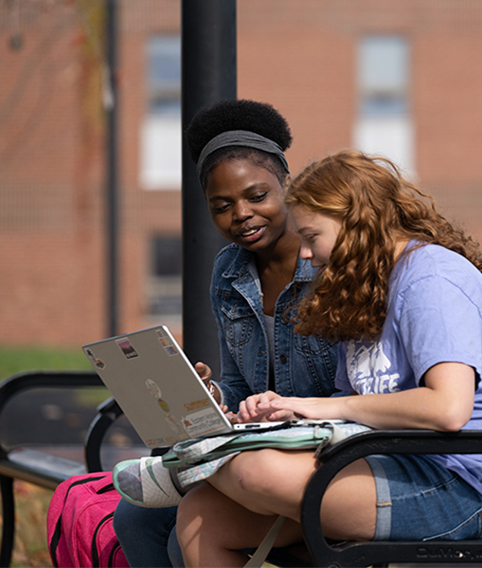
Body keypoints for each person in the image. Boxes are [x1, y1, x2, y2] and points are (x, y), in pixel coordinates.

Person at [158, 149, 482, 566]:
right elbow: (352, 406)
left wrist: (315, 406)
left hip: (453, 484)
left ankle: (178, 470)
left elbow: (448, 408)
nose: (307, 254)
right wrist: (278, 413)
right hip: (378, 462)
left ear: (357, 222)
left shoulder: (433, 278)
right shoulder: (363, 288)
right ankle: (188, 468)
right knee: (201, 515)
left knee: (252, 472)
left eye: (312, 236)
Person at [112, 99, 340, 567]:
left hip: (321, 452)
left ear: (287, 185)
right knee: (133, 519)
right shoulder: (229, 273)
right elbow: (242, 386)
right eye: (222, 206)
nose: (241, 214)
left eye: (257, 196)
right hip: (262, 447)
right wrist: (212, 395)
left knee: (188, 532)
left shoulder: (330, 265)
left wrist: (281, 419)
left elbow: (358, 387)